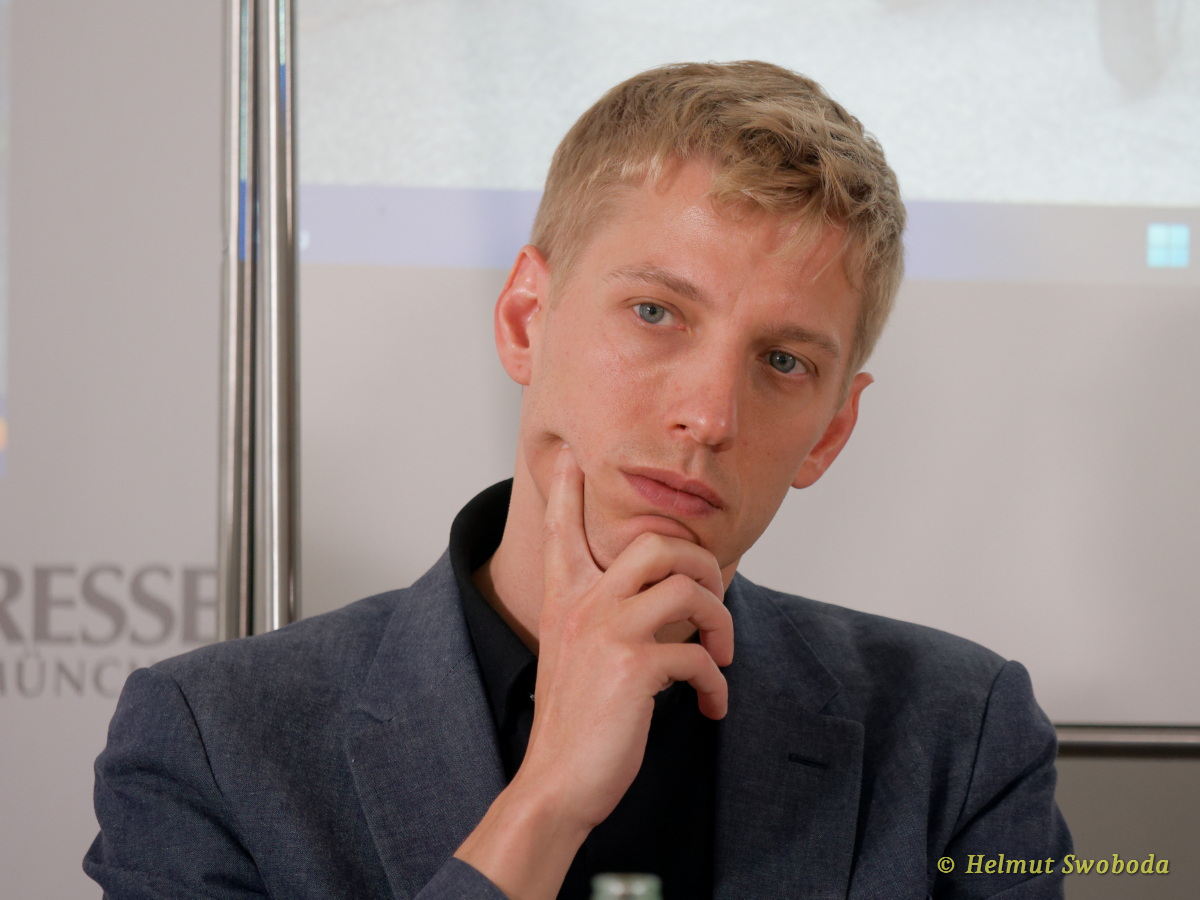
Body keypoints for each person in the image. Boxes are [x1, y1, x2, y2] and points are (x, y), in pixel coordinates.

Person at [85, 61, 1071, 899]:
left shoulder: (960, 737)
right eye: (655, 313)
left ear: (831, 433)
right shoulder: (214, 741)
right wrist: (546, 801)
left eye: (782, 362)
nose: (709, 417)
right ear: (526, 319)